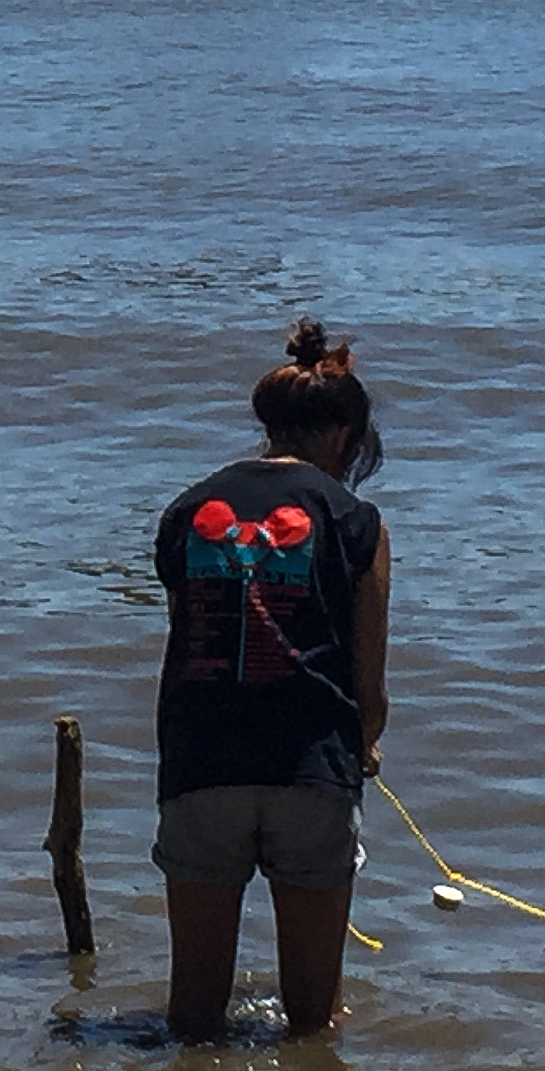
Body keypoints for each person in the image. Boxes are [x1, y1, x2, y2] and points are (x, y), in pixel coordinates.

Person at [153, 318, 393, 1041]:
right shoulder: (356, 520)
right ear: (345, 434)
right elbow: (369, 683)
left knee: (192, 1017)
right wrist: (367, 745)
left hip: (202, 762)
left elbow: (191, 633)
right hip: (311, 769)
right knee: (313, 1021)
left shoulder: (188, 510)